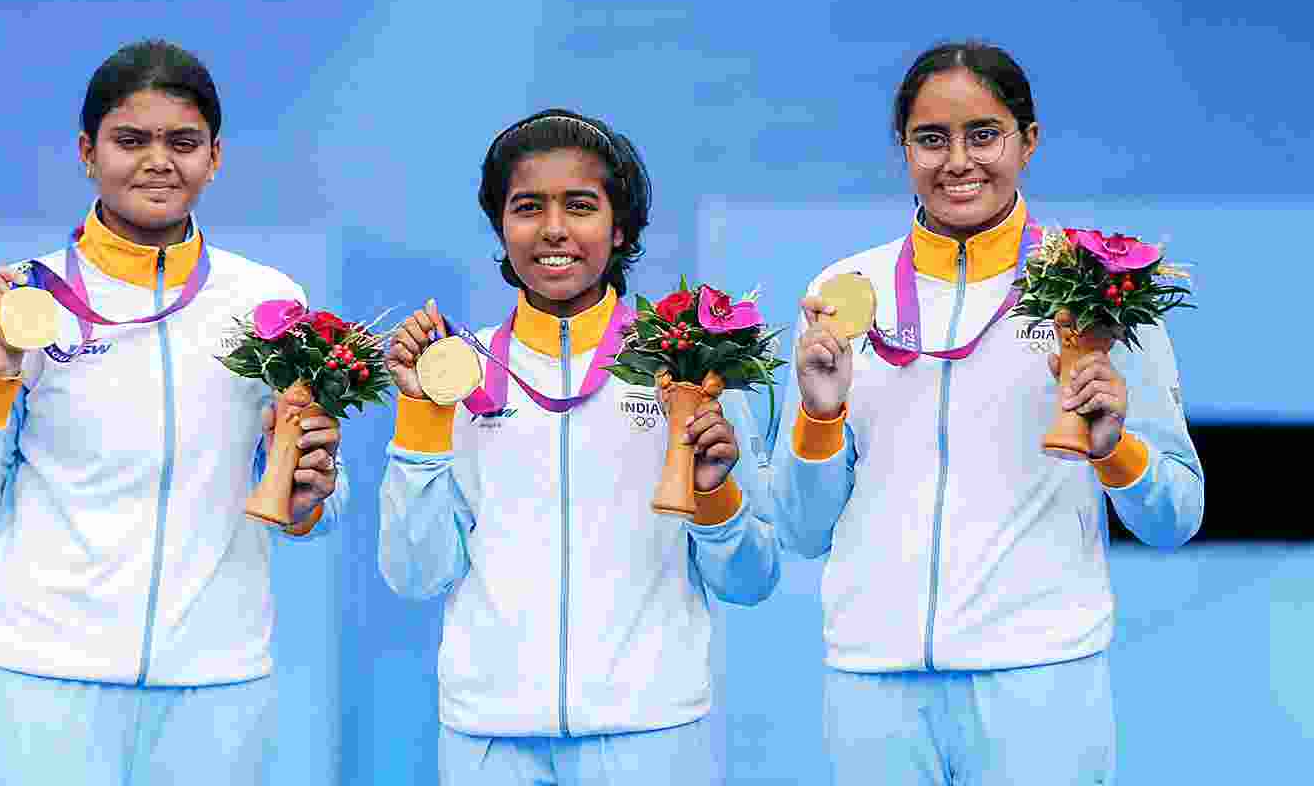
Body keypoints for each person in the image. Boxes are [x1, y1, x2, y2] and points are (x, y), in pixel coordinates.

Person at [0, 39, 346, 785]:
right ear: (87, 151)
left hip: (217, 689)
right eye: (130, 140)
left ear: (216, 157)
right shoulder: (21, 302)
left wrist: (310, 498)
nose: (158, 161)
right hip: (42, 686)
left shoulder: (270, 304)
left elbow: (319, 508)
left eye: (183, 142)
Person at [772, 41, 1205, 785]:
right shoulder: (843, 290)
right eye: (931, 138)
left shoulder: (1102, 290)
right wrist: (820, 416)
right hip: (872, 686)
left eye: (984, 134)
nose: (958, 161)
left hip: (1040, 682)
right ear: (903, 148)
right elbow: (801, 529)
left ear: (1027, 142)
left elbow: (1176, 516)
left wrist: (1114, 449)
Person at [379, 108, 781, 785]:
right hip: (489, 737)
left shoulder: (688, 367)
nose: (554, 229)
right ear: (501, 228)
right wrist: (420, 417)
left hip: (651, 733)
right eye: (528, 207)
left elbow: (752, 578)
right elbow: (414, 575)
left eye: (581, 206)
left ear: (620, 228)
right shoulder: (456, 372)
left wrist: (715, 495)